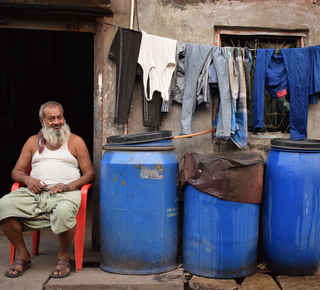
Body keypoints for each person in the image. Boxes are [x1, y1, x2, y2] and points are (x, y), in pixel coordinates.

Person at [0, 101, 95, 278]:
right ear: (42, 121)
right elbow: (16, 172)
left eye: (60, 117)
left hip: (65, 193)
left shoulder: (76, 141)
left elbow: (89, 173)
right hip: (35, 193)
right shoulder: (32, 142)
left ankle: (64, 255)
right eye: (51, 118)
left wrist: (70, 185)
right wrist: (28, 179)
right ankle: (23, 254)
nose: (57, 122)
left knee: (65, 210)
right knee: (4, 205)